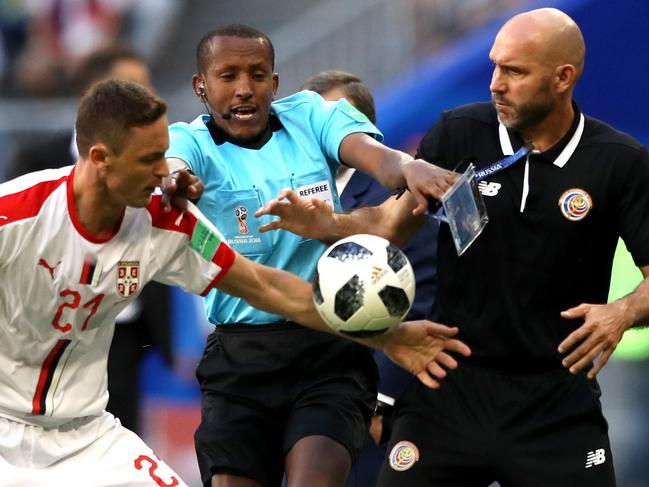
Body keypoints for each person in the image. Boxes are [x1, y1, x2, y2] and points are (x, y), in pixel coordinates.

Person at [0, 79, 468, 487]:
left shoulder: (168, 224)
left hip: (87, 436)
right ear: (100, 158)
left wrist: (387, 336)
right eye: (149, 160)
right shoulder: (15, 216)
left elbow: (270, 288)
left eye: (165, 155)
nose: (164, 172)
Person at [257, 8, 649, 486]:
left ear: (563, 78)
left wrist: (623, 312)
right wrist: (327, 225)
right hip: (449, 386)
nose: (495, 83)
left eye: (514, 71)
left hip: (556, 401)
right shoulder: (459, 132)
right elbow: (387, 226)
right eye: (494, 65)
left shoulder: (619, 162)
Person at [165, 24, 464, 487]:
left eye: (258, 74)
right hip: (240, 356)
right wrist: (175, 181)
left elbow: (377, 157)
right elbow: (174, 167)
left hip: (329, 352)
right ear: (200, 86)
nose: (245, 88)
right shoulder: (191, 142)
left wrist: (409, 166)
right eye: (228, 76)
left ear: (275, 83)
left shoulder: (311, 116)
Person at [7, 44, 165, 435]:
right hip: (40, 336)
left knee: (118, 446)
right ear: (94, 96)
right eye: (132, 88)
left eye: (147, 89)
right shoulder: (34, 164)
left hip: (121, 334)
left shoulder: (161, 167)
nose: (144, 100)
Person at [300, 70, 439, 487]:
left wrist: (380, 399)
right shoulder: (288, 193)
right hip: (298, 398)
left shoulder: (400, 199)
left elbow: (424, 294)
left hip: (370, 407)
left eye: (333, 121)